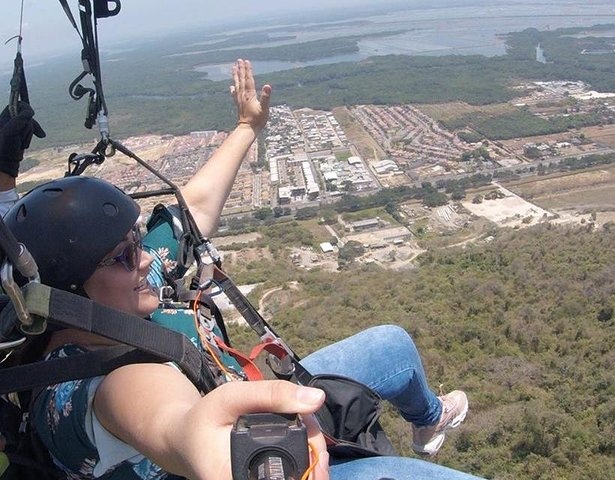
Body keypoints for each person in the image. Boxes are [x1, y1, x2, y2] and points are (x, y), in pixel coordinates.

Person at [2, 59, 482, 480]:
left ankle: (430, 419)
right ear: (68, 293)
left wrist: (248, 126)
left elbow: (194, 211)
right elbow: (167, 420)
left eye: (137, 239)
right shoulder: (85, 388)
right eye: (125, 254)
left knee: (393, 347)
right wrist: (210, 440)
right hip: (257, 453)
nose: (144, 256)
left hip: (247, 396)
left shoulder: (116, 293)